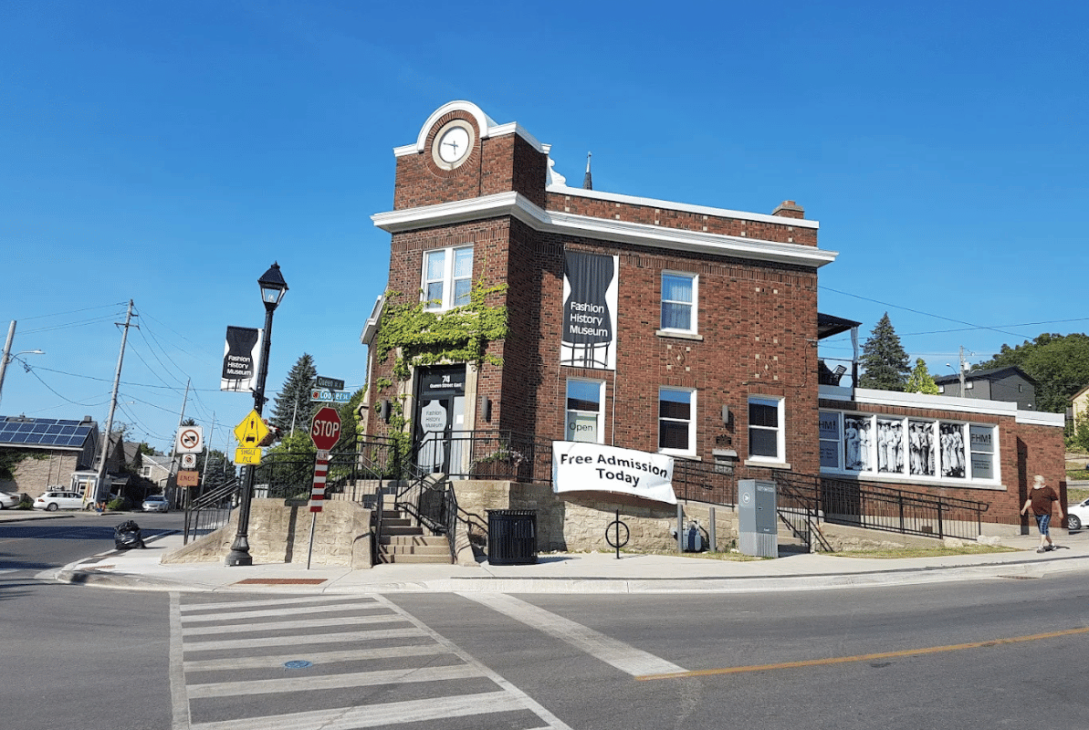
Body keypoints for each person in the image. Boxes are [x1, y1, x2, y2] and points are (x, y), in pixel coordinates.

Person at [1021, 475, 1063, 553]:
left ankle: (1041, 547)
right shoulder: (1033, 490)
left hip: (1046, 513)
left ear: (1041, 482)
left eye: (1035, 481)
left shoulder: (1049, 490)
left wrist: (1060, 512)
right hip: (1037, 513)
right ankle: (1052, 544)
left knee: (1043, 529)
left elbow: (1056, 502)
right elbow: (1029, 500)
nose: (1033, 482)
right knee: (1043, 531)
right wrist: (1024, 508)